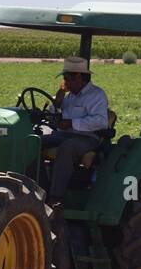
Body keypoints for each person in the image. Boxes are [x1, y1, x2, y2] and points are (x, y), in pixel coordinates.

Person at [41, 56, 110, 199]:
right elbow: (53, 114)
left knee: (68, 146)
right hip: (65, 134)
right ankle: (38, 186)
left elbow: (101, 121)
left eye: (67, 78)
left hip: (88, 138)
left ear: (78, 77)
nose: (65, 83)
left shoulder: (96, 95)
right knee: (35, 141)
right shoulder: (70, 96)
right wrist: (58, 100)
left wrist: (72, 123)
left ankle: (55, 197)